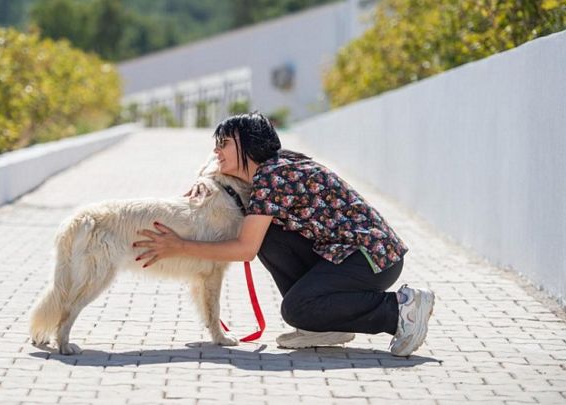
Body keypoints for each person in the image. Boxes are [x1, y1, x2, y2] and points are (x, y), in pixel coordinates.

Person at [133, 112, 434, 357]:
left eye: (223, 143)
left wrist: (180, 246)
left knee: (296, 308)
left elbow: (244, 249)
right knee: (270, 236)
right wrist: (205, 179)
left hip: (371, 258)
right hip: (345, 254)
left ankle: (399, 310)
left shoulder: (271, 178)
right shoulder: (275, 166)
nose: (216, 151)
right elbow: (211, 165)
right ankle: (322, 326)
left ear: (247, 147)